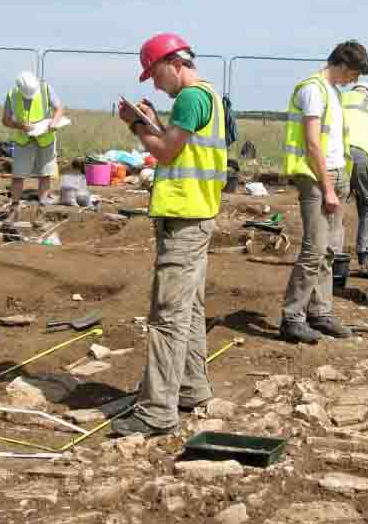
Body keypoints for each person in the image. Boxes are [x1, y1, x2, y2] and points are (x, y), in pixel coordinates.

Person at [111, 33, 227, 436]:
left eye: (155, 74)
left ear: (174, 63)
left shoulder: (191, 98)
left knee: (167, 316)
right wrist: (151, 122)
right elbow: (179, 143)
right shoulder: (205, 96)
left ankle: (157, 411)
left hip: (184, 218)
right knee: (190, 309)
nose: (155, 84)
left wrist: (134, 127)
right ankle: (192, 388)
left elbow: (164, 152)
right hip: (197, 213)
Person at [279, 40, 368, 344]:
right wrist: (328, 188)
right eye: (355, 74)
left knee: (331, 250)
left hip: (335, 175)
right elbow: (311, 143)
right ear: (343, 65)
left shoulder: (332, 91)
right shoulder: (312, 89)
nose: (354, 81)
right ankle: (292, 318)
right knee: (314, 248)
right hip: (317, 178)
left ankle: (320, 312)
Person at [1, 71, 66, 223]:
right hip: (24, 139)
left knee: (45, 174)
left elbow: (59, 109)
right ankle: (14, 210)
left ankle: (41, 211)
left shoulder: (46, 89)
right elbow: (5, 120)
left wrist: (54, 122)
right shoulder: (12, 95)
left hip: (46, 137)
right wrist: (20, 126)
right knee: (18, 175)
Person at [342, 81, 368, 267]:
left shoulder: (341, 97)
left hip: (338, 153)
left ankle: (329, 253)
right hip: (363, 155)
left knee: (334, 204)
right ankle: (365, 252)